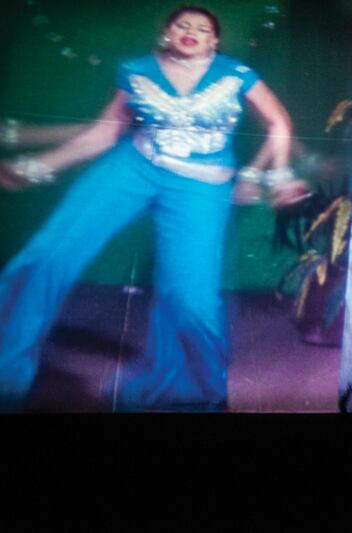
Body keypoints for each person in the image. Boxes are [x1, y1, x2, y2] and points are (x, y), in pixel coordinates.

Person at [0, 6, 307, 411]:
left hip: (200, 185)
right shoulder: (136, 69)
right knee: (48, 254)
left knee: (191, 299)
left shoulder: (236, 73)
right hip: (132, 166)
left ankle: (188, 394)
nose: (191, 31)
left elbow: (279, 123)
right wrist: (36, 167)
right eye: (182, 24)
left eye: (202, 28)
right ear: (167, 32)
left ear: (214, 41)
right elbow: (103, 133)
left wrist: (278, 176)